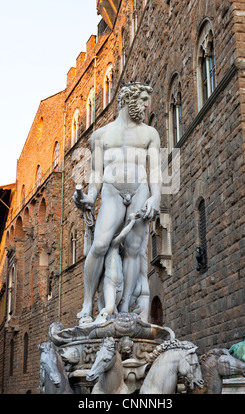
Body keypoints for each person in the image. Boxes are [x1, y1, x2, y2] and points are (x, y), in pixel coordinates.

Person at [73, 82, 162, 324]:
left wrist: (156, 196)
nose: (145, 105)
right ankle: (87, 304)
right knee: (100, 244)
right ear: (128, 99)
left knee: (134, 249)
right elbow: (96, 175)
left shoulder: (150, 134)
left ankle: (123, 309)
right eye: (143, 100)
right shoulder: (100, 135)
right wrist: (90, 198)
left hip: (140, 191)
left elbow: (154, 170)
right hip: (112, 192)